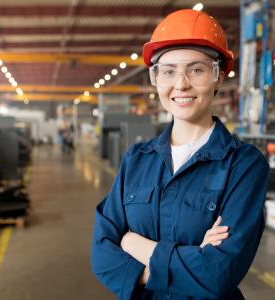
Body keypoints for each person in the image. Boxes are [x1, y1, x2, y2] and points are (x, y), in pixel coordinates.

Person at [91, 9, 269, 300]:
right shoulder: (137, 159)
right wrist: (193, 256)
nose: (181, 83)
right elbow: (102, 256)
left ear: (219, 76)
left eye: (196, 69)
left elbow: (217, 276)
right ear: (156, 78)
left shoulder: (244, 165)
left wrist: (134, 243)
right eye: (169, 71)